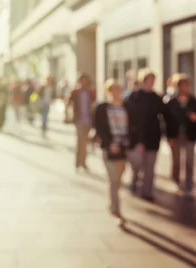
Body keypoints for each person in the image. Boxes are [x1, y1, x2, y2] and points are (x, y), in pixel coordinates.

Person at [94, 79, 131, 225]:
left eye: (119, 89)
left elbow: (132, 124)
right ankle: (116, 209)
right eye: (113, 90)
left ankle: (113, 204)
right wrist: (110, 143)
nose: (117, 92)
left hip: (123, 146)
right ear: (108, 91)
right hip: (108, 147)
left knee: (119, 177)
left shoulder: (126, 106)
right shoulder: (102, 107)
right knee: (113, 178)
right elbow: (99, 127)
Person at [126, 69, 167, 201]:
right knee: (137, 164)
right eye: (149, 80)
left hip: (153, 137)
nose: (151, 83)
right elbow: (130, 117)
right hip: (138, 137)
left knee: (150, 166)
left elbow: (164, 115)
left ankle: (147, 192)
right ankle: (134, 181)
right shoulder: (134, 97)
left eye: (153, 80)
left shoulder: (156, 97)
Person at [163, 74, 196, 196]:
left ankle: (189, 185)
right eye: (183, 86)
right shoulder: (171, 101)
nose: (186, 88)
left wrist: (195, 117)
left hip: (190, 134)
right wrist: (169, 136)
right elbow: (167, 120)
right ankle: (176, 180)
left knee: (189, 161)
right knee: (176, 160)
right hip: (175, 134)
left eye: (187, 85)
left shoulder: (193, 100)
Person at [66, 74, 96, 171]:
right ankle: (80, 162)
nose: (84, 83)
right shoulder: (75, 92)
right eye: (82, 81)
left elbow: (94, 105)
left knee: (84, 142)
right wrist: (68, 115)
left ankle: (82, 162)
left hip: (89, 120)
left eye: (85, 81)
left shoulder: (91, 92)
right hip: (79, 120)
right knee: (81, 141)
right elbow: (68, 103)